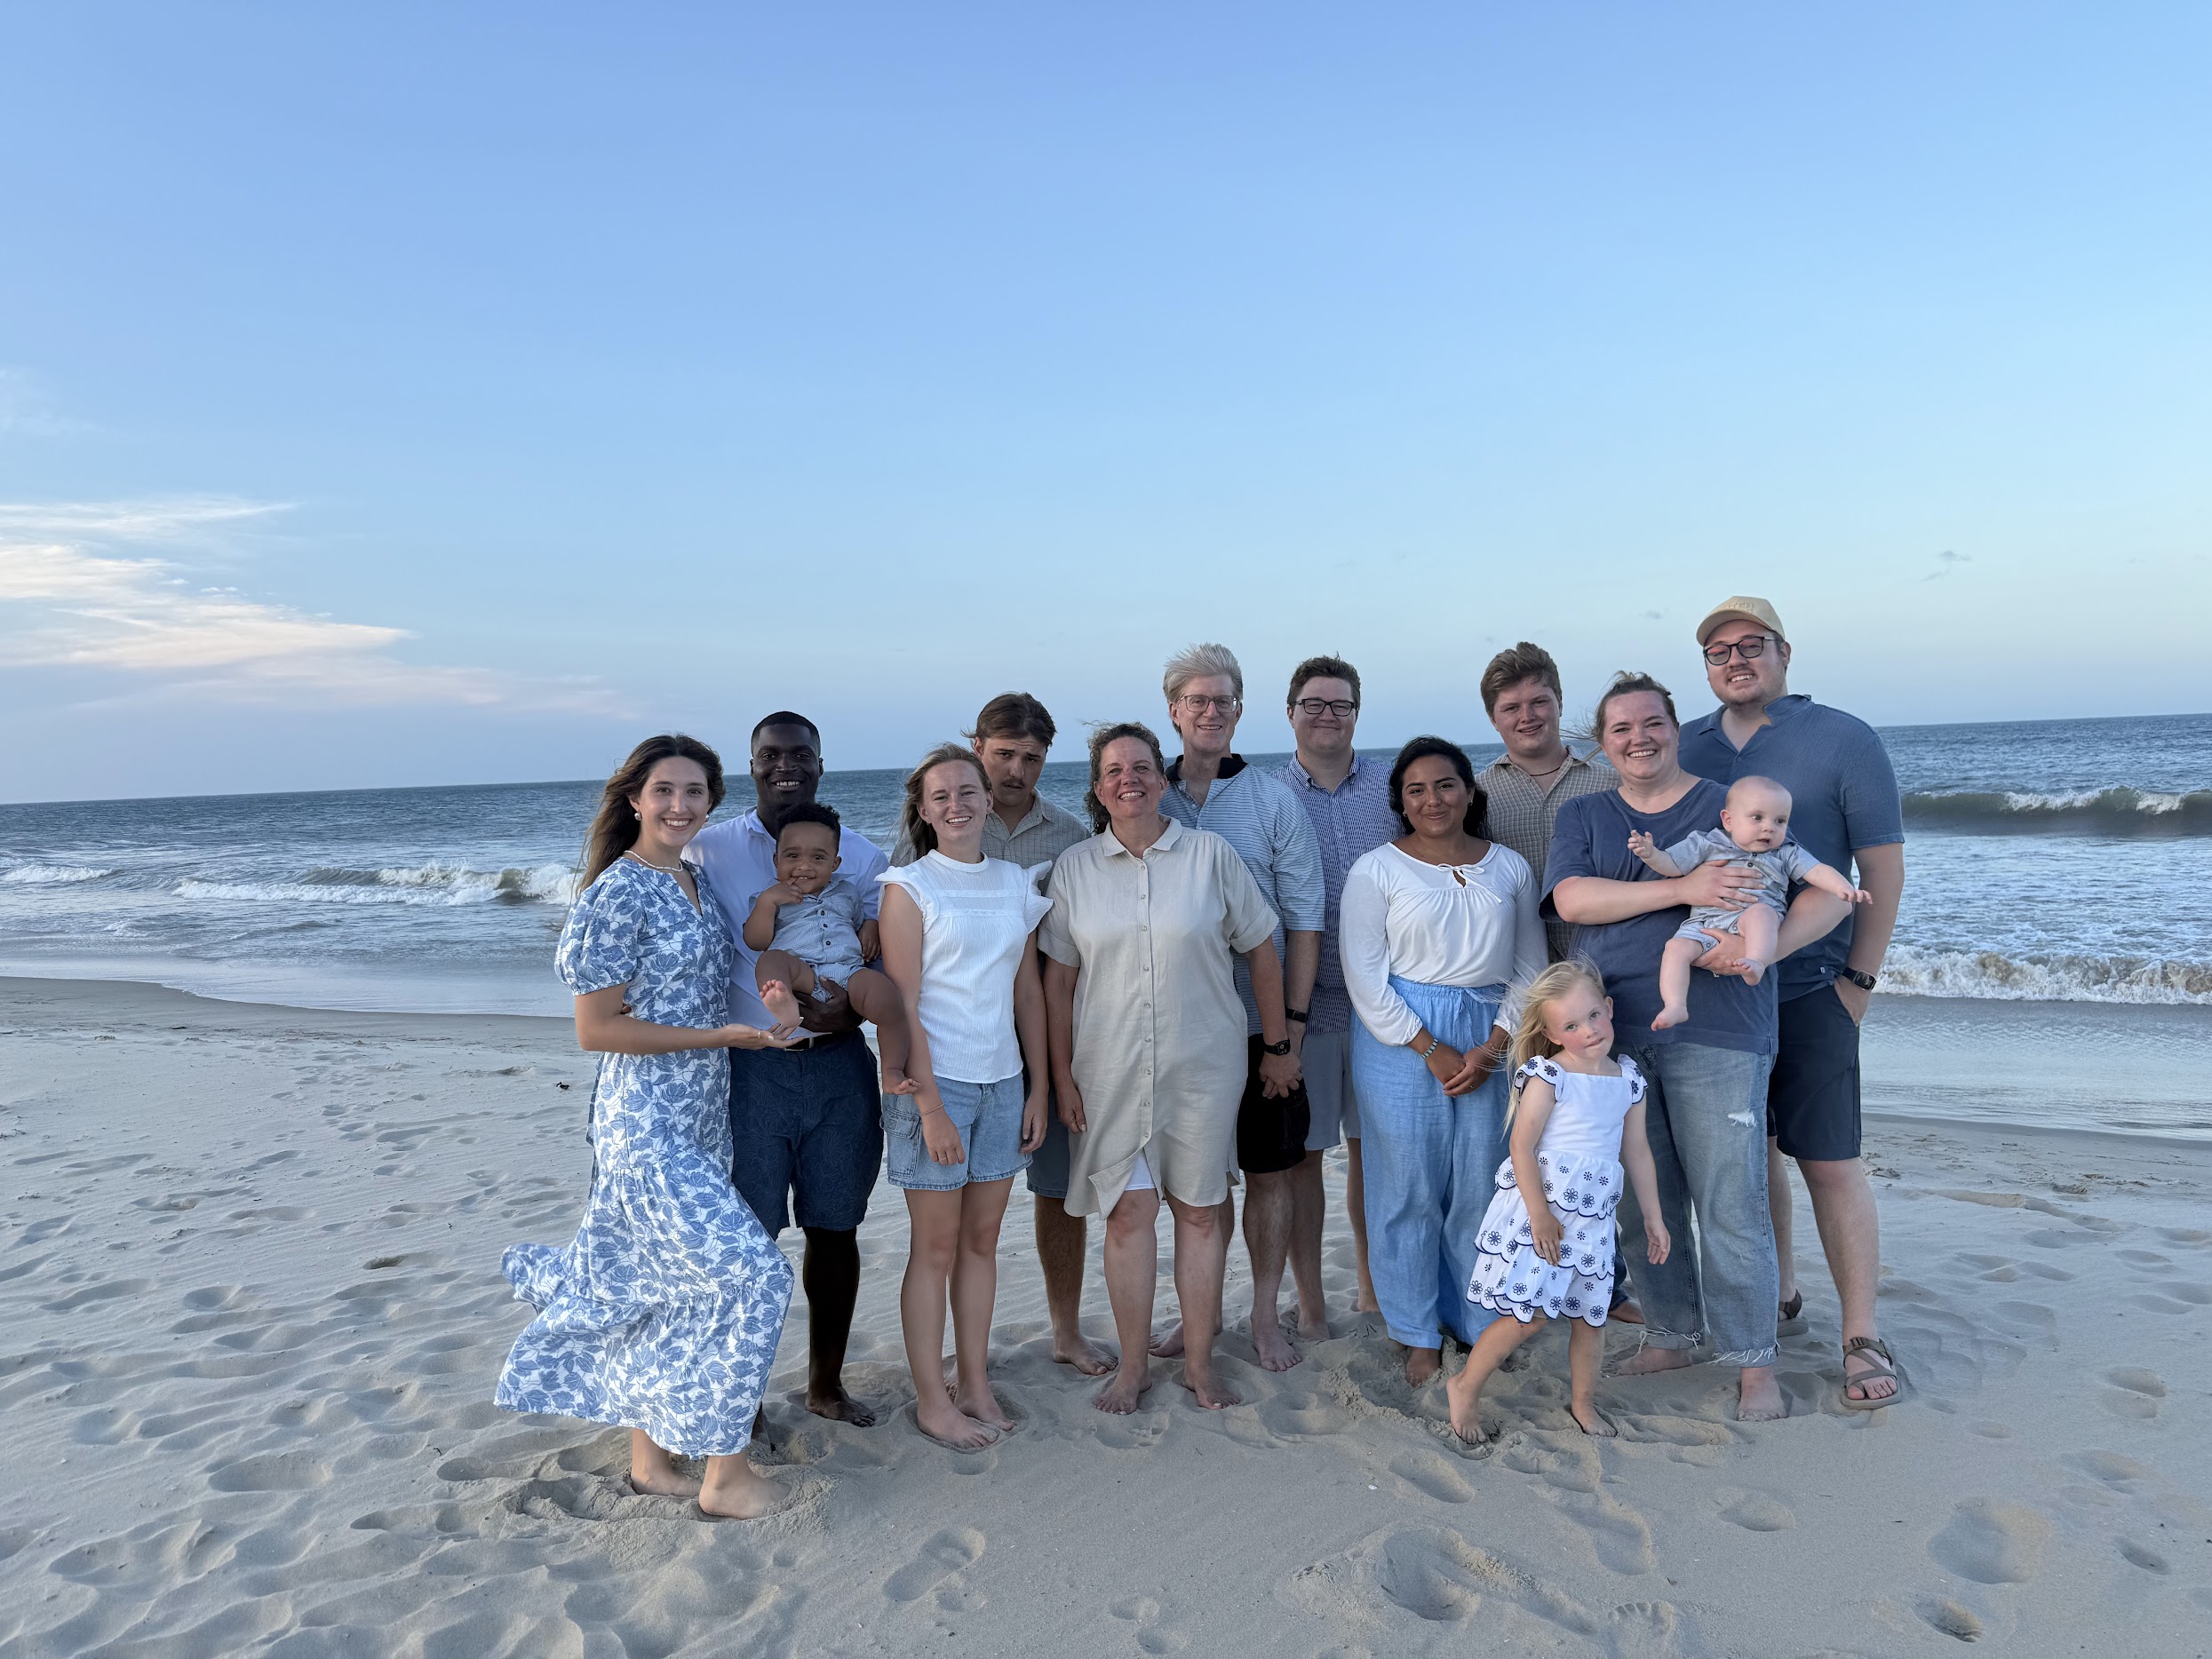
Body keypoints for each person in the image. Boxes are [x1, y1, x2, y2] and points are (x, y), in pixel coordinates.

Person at [496, 735, 797, 1519]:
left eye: (695, 793)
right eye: (664, 790)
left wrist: (771, 1010)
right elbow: (596, 1031)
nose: (679, 806)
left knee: (661, 1281)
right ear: (634, 797)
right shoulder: (618, 892)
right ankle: (725, 1478)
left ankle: (648, 1462)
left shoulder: (691, 878)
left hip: (702, 1111)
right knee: (756, 1275)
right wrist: (720, 1039)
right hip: (646, 1122)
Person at [1546, 673, 1850, 1421]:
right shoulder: (1585, 811)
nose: (1638, 738)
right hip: (1610, 1034)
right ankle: (1673, 1333)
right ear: (1602, 740)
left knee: (1730, 1196)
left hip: (1723, 1027)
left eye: (1652, 723)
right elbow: (1573, 899)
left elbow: (1810, 886)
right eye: (1621, 728)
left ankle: (1753, 1364)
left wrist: (1760, 952)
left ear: (1676, 728)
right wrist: (1684, 890)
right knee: (1646, 1199)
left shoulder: (1733, 799)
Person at [1678, 596, 1907, 1409]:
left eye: (1751, 645)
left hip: (1814, 989)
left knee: (1829, 1159)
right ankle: (1775, 1295)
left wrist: (1859, 984)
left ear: (1784, 651)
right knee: (1751, 1154)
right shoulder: (1688, 743)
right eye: (1717, 651)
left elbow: (1880, 871)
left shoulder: (1843, 738)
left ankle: (1860, 1335)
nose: (1734, 660)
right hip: (1721, 992)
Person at [1040, 722, 1294, 1414]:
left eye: (1143, 767)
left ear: (1162, 778)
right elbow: (1058, 984)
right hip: (1107, 1071)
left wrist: (1277, 1047)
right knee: (1126, 1216)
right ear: (1098, 788)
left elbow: (1263, 951)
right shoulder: (1074, 870)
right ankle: (1131, 1368)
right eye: (1115, 770)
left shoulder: (1210, 856)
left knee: (1201, 1213)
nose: (1130, 779)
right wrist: (1061, 1079)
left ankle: (1202, 1367)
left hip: (1203, 1069)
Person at [889, 694, 1108, 1377]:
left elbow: (1055, 961)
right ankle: (942, 1370)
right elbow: (900, 965)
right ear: (979, 748)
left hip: (1032, 1046)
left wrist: (1049, 1077)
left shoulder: (1066, 838)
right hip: (947, 1057)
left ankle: (1062, 1332)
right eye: (1005, 754)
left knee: (1054, 1190)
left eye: (1032, 758)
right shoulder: (920, 851)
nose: (1017, 769)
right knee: (942, 1237)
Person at [688, 712, 889, 1426]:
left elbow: (881, 951)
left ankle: (826, 1385)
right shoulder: (710, 849)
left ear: (820, 762)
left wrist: (858, 1013)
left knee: (836, 1228)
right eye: (770, 755)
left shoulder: (861, 857)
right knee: (750, 1234)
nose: (785, 765)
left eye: (799, 754)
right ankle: (741, 1394)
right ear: (751, 765)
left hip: (838, 1070)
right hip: (750, 1069)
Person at [1340, 737, 1545, 1386]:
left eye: (1446, 785)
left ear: (1469, 791)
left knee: (1482, 1187)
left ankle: (1477, 1321)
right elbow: (1365, 977)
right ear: (1401, 802)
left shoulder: (1508, 867)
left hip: (1491, 1029)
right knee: (1406, 1188)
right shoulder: (1376, 870)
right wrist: (1429, 1046)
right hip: (1401, 1035)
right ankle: (1415, 1329)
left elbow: (1530, 967)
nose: (1433, 799)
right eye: (1417, 790)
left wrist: (1493, 1045)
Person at [876, 744, 1053, 1449]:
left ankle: (974, 1381)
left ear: (987, 798)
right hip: (937, 1084)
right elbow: (902, 1006)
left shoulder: (1015, 881)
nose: (957, 804)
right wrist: (929, 1108)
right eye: (941, 796)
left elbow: (1028, 992)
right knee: (937, 1246)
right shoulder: (909, 887)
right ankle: (931, 1398)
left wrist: (1038, 1086)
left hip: (1003, 1082)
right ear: (923, 810)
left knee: (983, 1242)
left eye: (968, 791)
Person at [1158, 643, 1325, 1372]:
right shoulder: (1143, 794)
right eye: (1197, 699)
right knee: (1194, 1186)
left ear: (1239, 709)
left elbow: (1305, 920)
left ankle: (1263, 1314)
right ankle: (1202, 1314)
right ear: (1174, 710)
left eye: (1223, 700)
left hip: (1264, 1028)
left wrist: (1287, 1036)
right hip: (1176, 1031)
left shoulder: (1272, 799)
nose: (1211, 711)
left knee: (1270, 1172)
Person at [1446, 961, 1669, 1444]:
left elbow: (1637, 1152)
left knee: (1591, 1317)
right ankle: (1463, 1386)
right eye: (1570, 1025)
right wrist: (1540, 1215)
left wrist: (1653, 1217)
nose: (1588, 1031)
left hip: (1594, 1218)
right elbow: (1521, 1147)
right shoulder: (1550, 1077)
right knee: (1529, 1315)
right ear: (1551, 1034)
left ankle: (1583, 1403)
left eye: (1593, 1016)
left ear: (1609, 1008)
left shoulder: (1628, 1079)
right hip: (1543, 1211)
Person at [1278, 654, 1399, 1321]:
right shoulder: (1268, 795)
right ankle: (1310, 1302)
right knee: (1302, 1157)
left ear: (1357, 713)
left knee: (1376, 1158)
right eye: (1314, 705)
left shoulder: (1392, 789)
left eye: (1341, 705)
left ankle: (1373, 1290)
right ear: (1290, 712)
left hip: (1388, 1007)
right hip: (1305, 1012)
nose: (1327, 716)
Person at [1629, 775, 1872, 1026]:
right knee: (1675, 948)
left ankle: (1756, 961)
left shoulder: (1786, 852)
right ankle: (1675, 1005)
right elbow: (1672, 865)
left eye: (1780, 821)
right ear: (1729, 820)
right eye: (1757, 818)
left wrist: (1842, 887)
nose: (1769, 827)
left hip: (1753, 921)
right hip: (1705, 923)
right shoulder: (1707, 842)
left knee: (1762, 914)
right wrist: (1651, 854)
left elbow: (1818, 871)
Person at [742, 802, 914, 1077]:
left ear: (835, 863)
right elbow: (755, 940)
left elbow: (859, 922)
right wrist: (766, 904)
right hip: (801, 974)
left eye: (818, 858)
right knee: (770, 960)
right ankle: (782, 1002)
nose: (804, 866)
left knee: (889, 998)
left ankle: (892, 1069)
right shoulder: (771, 896)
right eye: (792, 856)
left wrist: (870, 925)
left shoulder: (847, 892)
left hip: (848, 973)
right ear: (777, 860)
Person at [1477, 643, 1620, 965]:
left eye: (1539, 702)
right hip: (1514, 978)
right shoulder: (1475, 796)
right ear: (1492, 719)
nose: (1526, 717)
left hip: (1605, 966)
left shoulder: (1612, 786)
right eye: (1511, 708)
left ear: (1559, 702)